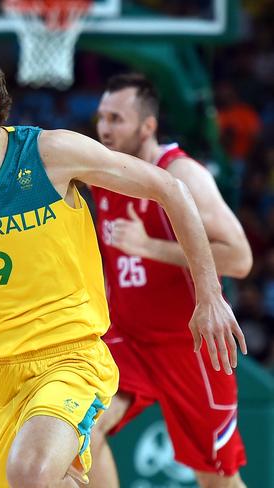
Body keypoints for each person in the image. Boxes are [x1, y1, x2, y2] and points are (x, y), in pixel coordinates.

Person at [0, 47, 247, 488]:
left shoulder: (51, 152)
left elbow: (169, 187)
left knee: (30, 472)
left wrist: (209, 294)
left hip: (68, 355)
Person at [85, 73, 252, 488]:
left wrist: (151, 247)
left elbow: (240, 257)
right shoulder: (100, 173)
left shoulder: (183, 175)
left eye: (117, 118)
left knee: (216, 478)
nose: (104, 127)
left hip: (189, 346)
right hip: (129, 340)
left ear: (147, 126)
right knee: (81, 432)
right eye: (101, 116)